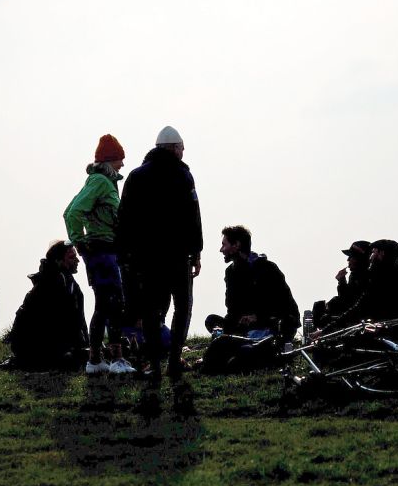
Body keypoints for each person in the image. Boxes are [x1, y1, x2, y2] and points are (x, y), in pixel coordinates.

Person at [117, 126, 202, 384]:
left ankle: (154, 364)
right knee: (182, 306)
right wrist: (196, 251)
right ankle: (174, 360)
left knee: (152, 312)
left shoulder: (136, 176)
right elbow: (193, 216)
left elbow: (124, 219)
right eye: (182, 147)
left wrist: (126, 255)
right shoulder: (183, 176)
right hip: (177, 255)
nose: (184, 152)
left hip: (146, 258)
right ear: (174, 148)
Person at [63, 134, 135, 375]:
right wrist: (81, 243)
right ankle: (116, 360)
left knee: (104, 305)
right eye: (119, 159)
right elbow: (72, 213)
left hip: (102, 251)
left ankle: (96, 360)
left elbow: (68, 211)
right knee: (113, 303)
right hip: (102, 250)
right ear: (110, 160)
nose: (123, 164)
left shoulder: (99, 181)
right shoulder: (101, 182)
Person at [200, 226, 299, 373]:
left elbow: (286, 308)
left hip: (269, 328)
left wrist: (258, 317)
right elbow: (232, 308)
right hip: (244, 328)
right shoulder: (231, 272)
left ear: (237, 245)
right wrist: (236, 321)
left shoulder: (267, 269)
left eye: (224, 244)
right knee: (212, 321)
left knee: (236, 355)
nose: (221, 250)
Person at [7, 241, 89, 371]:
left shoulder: (64, 279)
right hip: (33, 347)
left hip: (33, 345)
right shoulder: (55, 282)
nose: (77, 261)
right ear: (58, 261)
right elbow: (63, 322)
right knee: (76, 359)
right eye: (72, 257)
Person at [315, 239, 398, 336]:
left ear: (381, 254)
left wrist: (325, 330)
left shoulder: (376, 278)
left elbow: (358, 306)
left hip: (385, 332)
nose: (370, 257)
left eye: (373, 253)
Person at [311, 240, 371, 329]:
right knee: (320, 307)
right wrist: (341, 281)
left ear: (360, 259)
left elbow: (349, 302)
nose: (348, 260)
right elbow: (346, 297)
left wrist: (341, 282)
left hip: (359, 320)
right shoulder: (355, 275)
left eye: (351, 257)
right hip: (351, 317)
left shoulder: (367, 276)